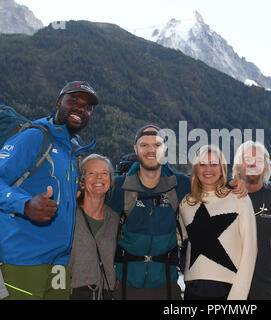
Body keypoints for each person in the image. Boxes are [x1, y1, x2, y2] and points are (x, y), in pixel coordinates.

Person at [107, 125, 247, 300]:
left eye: (157, 145)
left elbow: (207, 181)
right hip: (126, 284)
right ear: (136, 149)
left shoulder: (178, 184)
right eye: (144, 145)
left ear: (165, 149)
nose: (151, 150)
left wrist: (231, 183)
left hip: (166, 284)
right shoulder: (118, 187)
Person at [0, 81, 98, 300]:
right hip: (23, 260)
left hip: (59, 264)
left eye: (87, 107)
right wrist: (24, 204)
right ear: (58, 102)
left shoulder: (72, 150)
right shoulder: (35, 136)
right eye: (74, 101)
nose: (80, 109)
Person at [179, 145, 257, 300]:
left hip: (227, 290)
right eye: (202, 164)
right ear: (196, 169)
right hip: (192, 290)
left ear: (222, 168)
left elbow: (250, 249)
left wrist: (238, 296)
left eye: (214, 164)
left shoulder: (239, 198)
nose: (208, 169)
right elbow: (180, 237)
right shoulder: (186, 203)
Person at [232, 140, 271, 300]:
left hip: (266, 286)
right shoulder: (225, 195)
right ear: (239, 165)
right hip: (230, 286)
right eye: (248, 160)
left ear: (265, 166)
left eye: (258, 160)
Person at [69, 154, 119, 300]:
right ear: (82, 181)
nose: (99, 178)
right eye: (92, 173)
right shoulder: (69, 215)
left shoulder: (114, 219)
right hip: (73, 293)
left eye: (104, 173)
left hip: (106, 293)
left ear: (110, 180)